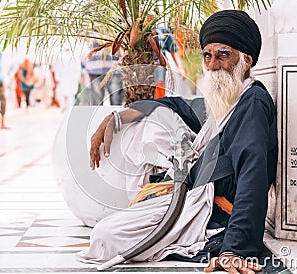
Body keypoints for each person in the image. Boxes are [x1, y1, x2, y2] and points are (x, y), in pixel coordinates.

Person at [80, 10, 277, 274]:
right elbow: (180, 106)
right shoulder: (229, 97)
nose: (212, 65)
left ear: (246, 60)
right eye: (207, 55)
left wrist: (235, 249)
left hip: (211, 213)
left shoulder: (252, 102)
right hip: (191, 193)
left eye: (223, 55)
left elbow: (253, 173)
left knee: (106, 237)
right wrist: (119, 117)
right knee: (150, 120)